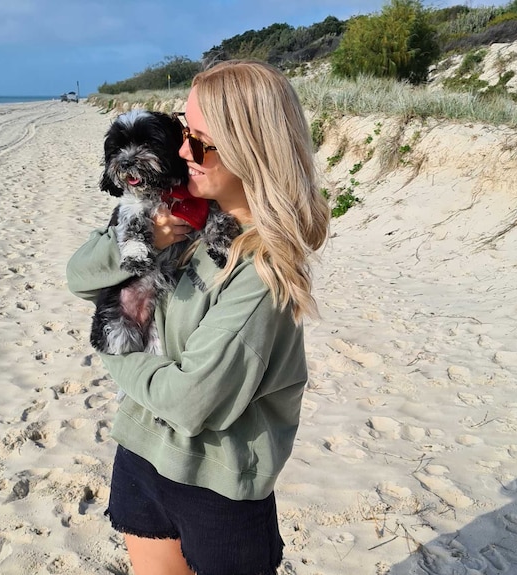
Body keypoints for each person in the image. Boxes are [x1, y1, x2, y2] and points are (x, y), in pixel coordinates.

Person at [67, 60, 330, 575]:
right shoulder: (180, 216)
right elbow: (80, 276)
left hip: (216, 487)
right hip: (141, 454)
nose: (183, 153)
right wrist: (155, 237)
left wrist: (113, 350)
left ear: (250, 151)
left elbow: (188, 402)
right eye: (184, 134)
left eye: (201, 143)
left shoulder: (260, 274)